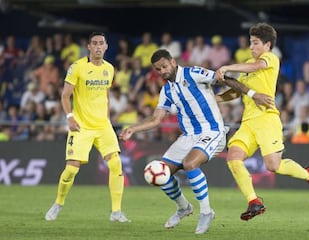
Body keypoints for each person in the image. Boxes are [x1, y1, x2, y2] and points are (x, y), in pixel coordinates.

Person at [119, 49, 268, 234]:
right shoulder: (167, 90)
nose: (162, 71)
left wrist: (253, 94)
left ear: (173, 62)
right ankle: (183, 208)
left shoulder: (193, 73)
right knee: (160, 173)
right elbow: (156, 119)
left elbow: (225, 79)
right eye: (158, 69)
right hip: (188, 136)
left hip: (212, 131)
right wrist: (134, 129)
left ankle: (206, 212)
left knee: (190, 164)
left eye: (164, 66)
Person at [215, 22, 309, 221]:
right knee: (233, 158)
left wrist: (227, 67)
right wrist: (214, 99)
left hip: (267, 119)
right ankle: (254, 201)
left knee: (273, 166)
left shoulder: (270, 59)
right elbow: (235, 91)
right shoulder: (247, 66)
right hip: (248, 123)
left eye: (256, 43)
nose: (252, 47)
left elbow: (256, 66)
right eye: (250, 42)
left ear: (267, 45)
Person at [45, 32, 130, 223]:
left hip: (103, 126)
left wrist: (107, 118)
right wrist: (69, 117)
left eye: (102, 43)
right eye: (95, 43)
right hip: (81, 126)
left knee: (116, 164)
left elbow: (105, 95)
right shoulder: (77, 67)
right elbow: (65, 95)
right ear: (89, 47)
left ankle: (116, 212)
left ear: (106, 47)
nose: (98, 46)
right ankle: (58, 203)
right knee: (72, 170)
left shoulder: (110, 69)